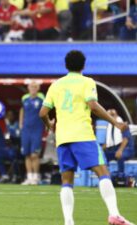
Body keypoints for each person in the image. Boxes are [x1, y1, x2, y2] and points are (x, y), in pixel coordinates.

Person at [39, 50, 134, 225]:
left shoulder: (56, 85)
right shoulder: (86, 82)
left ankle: (68, 221)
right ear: (83, 65)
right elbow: (93, 106)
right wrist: (116, 123)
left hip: (63, 138)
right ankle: (114, 215)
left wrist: (49, 124)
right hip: (82, 135)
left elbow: (43, 112)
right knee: (103, 172)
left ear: (66, 65)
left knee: (67, 180)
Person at [19, 81, 45, 185]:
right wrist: (21, 123)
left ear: (38, 88)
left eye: (35, 87)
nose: (33, 88)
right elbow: (22, 110)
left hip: (37, 128)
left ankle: (36, 176)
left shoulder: (42, 98)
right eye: (31, 86)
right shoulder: (25, 98)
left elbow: (45, 111)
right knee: (27, 154)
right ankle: (29, 177)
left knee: (35, 154)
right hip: (26, 129)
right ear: (28, 88)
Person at [103, 109, 135, 174]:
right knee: (104, 156)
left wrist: (120, 150)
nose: (111, 117)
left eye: (113, 115)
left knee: (120, 155)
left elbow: (126, 139)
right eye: (109, 115)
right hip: (115, 148)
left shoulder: (122, 124)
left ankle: (121, 175)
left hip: (127, 149)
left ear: (116, 115)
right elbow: (109, 142)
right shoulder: (109, 126)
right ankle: (106, 174)